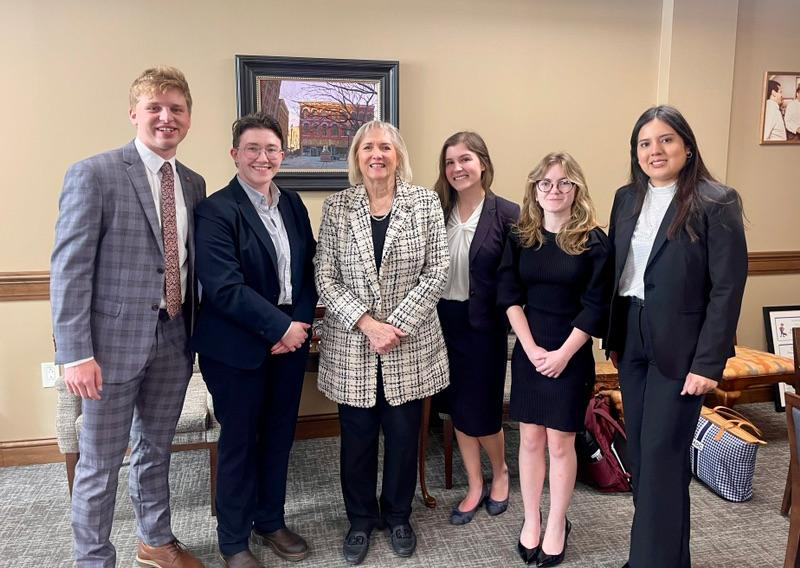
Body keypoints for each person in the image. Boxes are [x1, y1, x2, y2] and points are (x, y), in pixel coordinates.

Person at [50, 66, 206, 567]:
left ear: (188, 118)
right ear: (134, 113)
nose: (166, 117)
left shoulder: (193, 183)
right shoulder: (94, 173)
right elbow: (69, 271)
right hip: (108, 348)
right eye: (155, 107)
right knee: (99, 465)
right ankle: (93, 559)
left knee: (154, 451)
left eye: (176, 109)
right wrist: (75, 354)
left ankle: (155, 542)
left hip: (174, 338)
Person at [605, 105, 747, 568]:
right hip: (631, 337)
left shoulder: (716, 200)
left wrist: (708, 365)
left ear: (686, 145)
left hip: (682, 349)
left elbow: (727, 288)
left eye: (665, 139)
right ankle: (668, 558)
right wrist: (612, 334)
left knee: (663, 458)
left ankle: (646, 562)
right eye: (645, 143)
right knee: (644, 461)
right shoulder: (627, 198)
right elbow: (618, 270)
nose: (655, 150)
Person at [314, 120, 449, 565]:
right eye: (368, 147)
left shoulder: (425, 202)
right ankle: (359, 519)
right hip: (354, 346)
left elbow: (437, 272)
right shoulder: (338, 208)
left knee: (404, 435)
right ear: (356, 156)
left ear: (398, 155)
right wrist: (368, 324)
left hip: (408, 347)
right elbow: (325, 277)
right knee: (356, 439)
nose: (377, 154)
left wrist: (396, 326)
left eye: (385, 147)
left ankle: (397, 516)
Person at [192, 113, 317, 568]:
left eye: (271, 149)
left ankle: (270, 520)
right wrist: (279, 328)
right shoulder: (216, 210)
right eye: (252, 149)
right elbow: (224, 287)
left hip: (289, 342)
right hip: (236, 348)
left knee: (279, 437)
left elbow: (308, 271)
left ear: (282, 155)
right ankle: (233, 541)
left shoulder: (293, 204)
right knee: (240, 443)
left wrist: (298, 326)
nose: (263, 157)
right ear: (235, 155)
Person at [497, 152, 610, 567]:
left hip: (572, 352)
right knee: (528, 438)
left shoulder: (594, 241)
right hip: (529, 349)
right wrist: (529, 349)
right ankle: (531, 518)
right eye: (545, 183)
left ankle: (558, 522)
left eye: (564, 183)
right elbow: (508, 296)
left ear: (576, 189)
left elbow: (596, 306)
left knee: (561, 443)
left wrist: (562, 354)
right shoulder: (521, 237)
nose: (554, 190)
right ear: (534, 190)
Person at [432, 131, 519, 525]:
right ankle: (474, 484)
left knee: (482, 411)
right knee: (455, 410)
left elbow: (519, 279)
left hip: (484, 327)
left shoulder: (508, 214)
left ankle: (500, 473)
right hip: (441, 324)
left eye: (465, 159)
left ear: (482, 163)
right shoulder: (434, 210)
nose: (457, 168)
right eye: (450, 162)